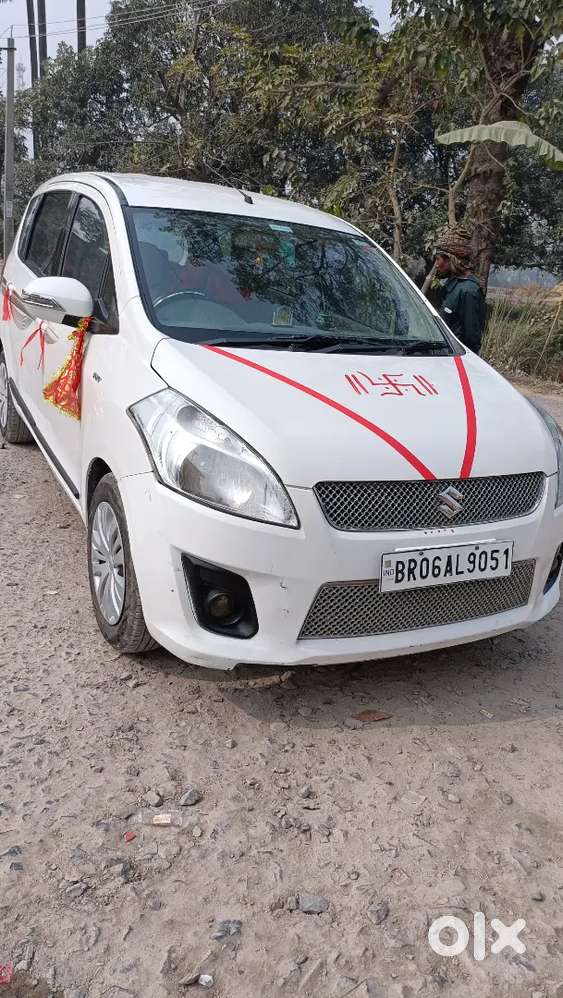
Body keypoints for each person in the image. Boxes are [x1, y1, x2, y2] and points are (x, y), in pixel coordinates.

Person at [432, 227, 486, 352]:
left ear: (450, 259)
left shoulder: (469, 290)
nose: (436, 264)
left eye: (438, 259)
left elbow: (471, 338)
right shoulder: (453, 285)